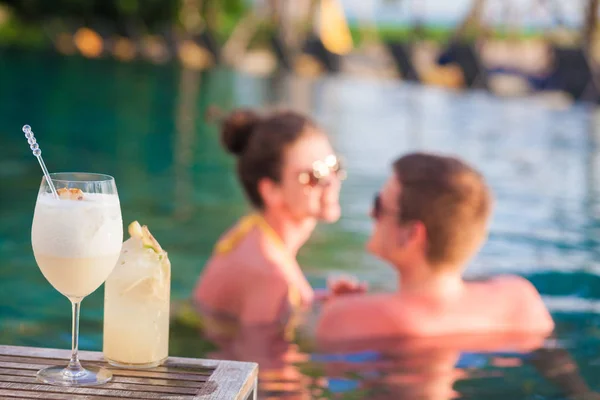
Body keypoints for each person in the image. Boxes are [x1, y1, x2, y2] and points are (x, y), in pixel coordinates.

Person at [317, 152, 555, 342]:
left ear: (412, 234)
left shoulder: (350, 318)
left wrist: (335, 310)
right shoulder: (519, 299)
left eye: (380, 206)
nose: (371, 213)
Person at [193, 107, 351, 356]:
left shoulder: (250, 232)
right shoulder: (271, 277)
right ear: (271, 191)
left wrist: (319, 302)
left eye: (333, 166)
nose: (331, 182)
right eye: (313, 175)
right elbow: (269, 382)